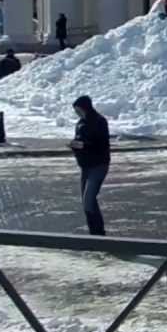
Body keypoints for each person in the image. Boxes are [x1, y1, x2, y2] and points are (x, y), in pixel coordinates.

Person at [69, 95, 111, 236]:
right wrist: (74, 146)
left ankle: (99, 234)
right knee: (86, 202)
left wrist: (83, 145)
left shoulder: (99, 121)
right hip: (85, 166)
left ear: (86, 108)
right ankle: (93, 232)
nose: (78, 113)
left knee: (89, 199)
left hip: (99, 165)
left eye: (79, 110)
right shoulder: (80, 123)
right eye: (76, 111)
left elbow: (102, 145)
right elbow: (78, 141)